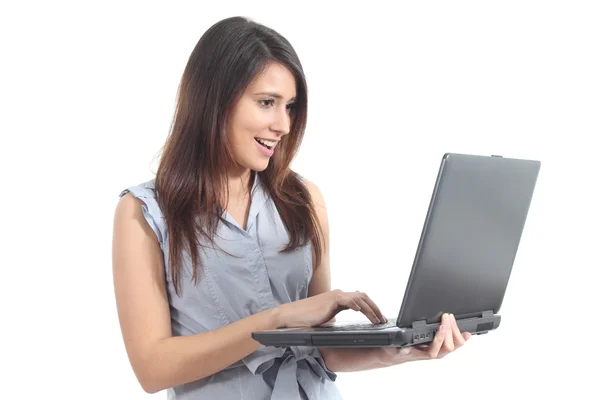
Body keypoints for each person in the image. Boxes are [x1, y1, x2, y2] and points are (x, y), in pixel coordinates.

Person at [112, 16, 470, 400]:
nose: (283, 124)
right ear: (214, 101)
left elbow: (323, 350)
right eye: (267, 103)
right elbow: (152, 368)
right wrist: (276, 319)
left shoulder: (305, 201)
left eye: (291, 107)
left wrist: (401, 348)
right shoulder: (144, 213)